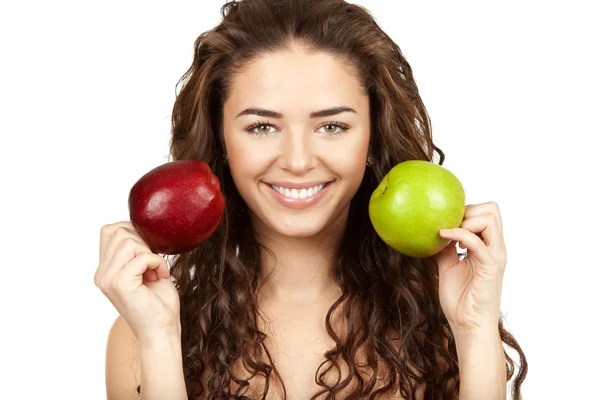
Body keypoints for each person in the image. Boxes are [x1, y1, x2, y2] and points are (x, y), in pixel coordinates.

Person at [94, 0, 528, 399]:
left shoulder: (437, 326)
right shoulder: (141, 333)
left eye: (332, 126)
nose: (298, 161)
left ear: (373, 136)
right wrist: (160, 340)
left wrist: (474, 331)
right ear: (220, 141)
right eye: (262, 127)